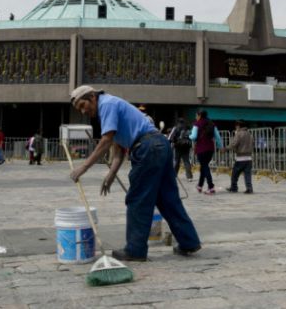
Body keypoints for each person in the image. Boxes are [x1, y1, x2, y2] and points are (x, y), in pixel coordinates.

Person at [68, 85, 201, 262]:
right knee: (168, 199)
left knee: (138, 199)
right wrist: (111, 175)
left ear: (92, 97)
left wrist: (83, 167)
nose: (84, 111)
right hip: (159, 146)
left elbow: (106, 140)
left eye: (83, 105)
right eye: (79, 109)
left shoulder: (106, 105)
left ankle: (135, 249)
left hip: (148, 148)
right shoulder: (110, 108)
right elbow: (118, 151)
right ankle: (189, 242)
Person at [189, 110, 223, 195]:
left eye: (196, 115)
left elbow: (193, 136)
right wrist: (221, 147)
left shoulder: (197, 124)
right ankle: (200, 185)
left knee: (205, 166)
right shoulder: (212, 123)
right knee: (204, 166)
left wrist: (188, 135)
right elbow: (217, 137)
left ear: (199, 115)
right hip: (210, 149)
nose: (196, 117)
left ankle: (211, 187)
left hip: (201, 148)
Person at [225, 120, 254, 193]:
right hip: (249, 158)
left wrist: (225, 148)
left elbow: (234, 144)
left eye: (236, 126)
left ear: (238, 126)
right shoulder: (250, 134)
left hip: (240, 158)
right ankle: (249, 188)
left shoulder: (239, 134)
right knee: (247, 175)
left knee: (234, 174)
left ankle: (234, 187)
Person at [168, 117, 194, 182]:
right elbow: (191, 137)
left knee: (176, 161)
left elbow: (170, 137)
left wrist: (170, 143)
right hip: (186, 147)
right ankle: (189, 177)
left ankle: (174, 175)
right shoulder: (187, 128)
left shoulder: (175, 128)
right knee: (186, 161)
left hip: (177, 147)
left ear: (178, 122)